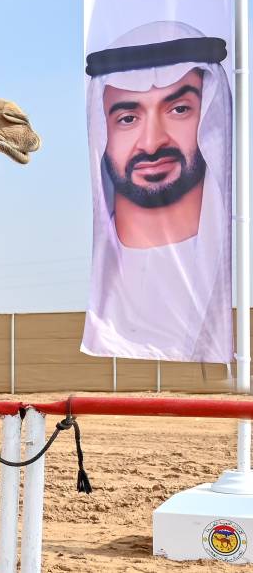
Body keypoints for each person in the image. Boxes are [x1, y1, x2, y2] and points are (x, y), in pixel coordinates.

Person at [82, 21, 232, 363]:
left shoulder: (237, 262)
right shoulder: (109, 291)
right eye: (127, 118)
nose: (151, 143)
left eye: (179, 110)